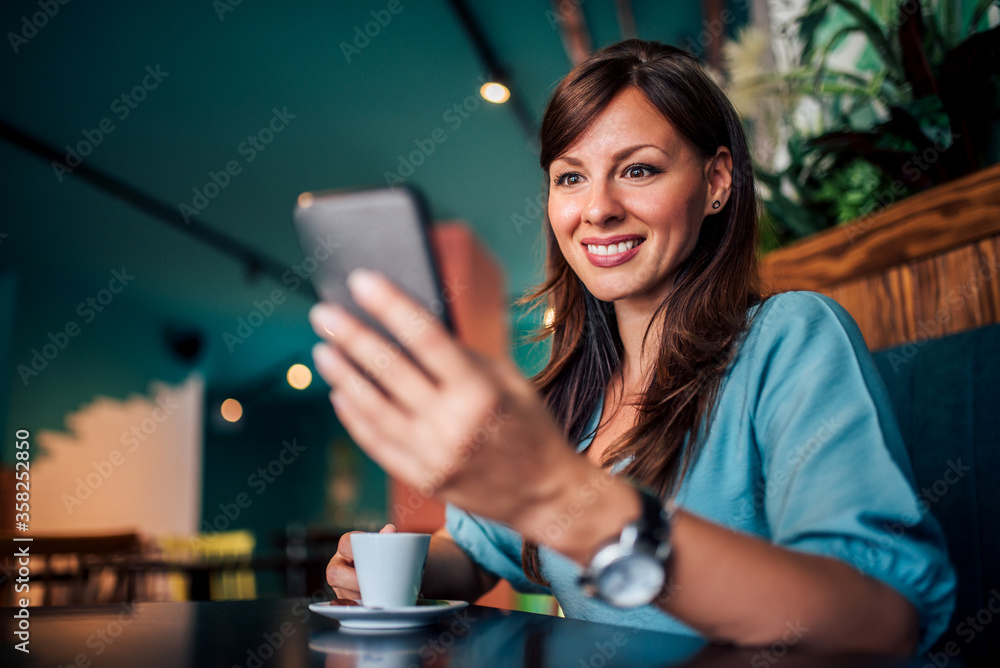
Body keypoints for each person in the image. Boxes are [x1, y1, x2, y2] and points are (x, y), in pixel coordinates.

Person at [309, 39, 955, 655]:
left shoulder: (788, 339)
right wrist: (391, 568)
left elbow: (881, 618)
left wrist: (574, 504)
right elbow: (481, 552)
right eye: (570, 178)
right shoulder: (570, 401)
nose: (597, 209)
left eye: (638, 170)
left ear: (718, 182)